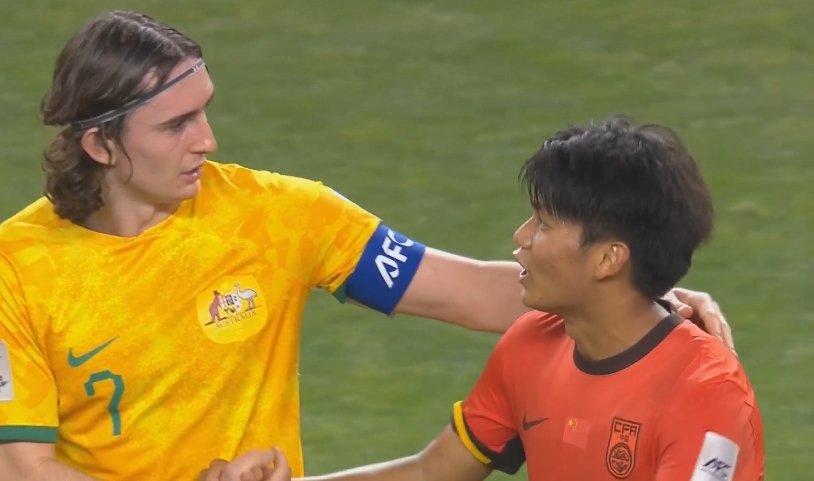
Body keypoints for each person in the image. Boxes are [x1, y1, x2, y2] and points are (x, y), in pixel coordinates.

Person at [0, 11, 733, 481]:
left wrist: (640, 294)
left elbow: (473, 293)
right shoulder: (18, 265)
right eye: (175, 126)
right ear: (100, 144)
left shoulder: (278, 217)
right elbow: (23, 466)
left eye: (205, 113)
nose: (208, 140)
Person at [215, 118, 764, 481]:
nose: (521, 237)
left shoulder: (707, 394)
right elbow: (430, 473)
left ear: (608, 259)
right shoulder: (532, 344)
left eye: (544, 223)